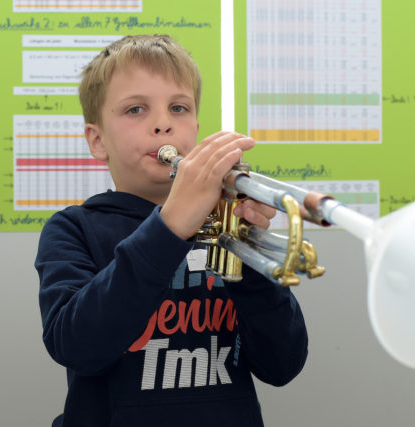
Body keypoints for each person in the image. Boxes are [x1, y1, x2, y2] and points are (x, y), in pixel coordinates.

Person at [35, 34, 308, 427]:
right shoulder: (73, 228)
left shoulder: (224, 222)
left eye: (178, 108)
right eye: (135, 110)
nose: (162, 124)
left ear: (195, 128)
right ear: (98, 140)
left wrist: (249, 263)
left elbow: (282, 365)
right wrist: (169, 226)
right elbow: (78, 347)